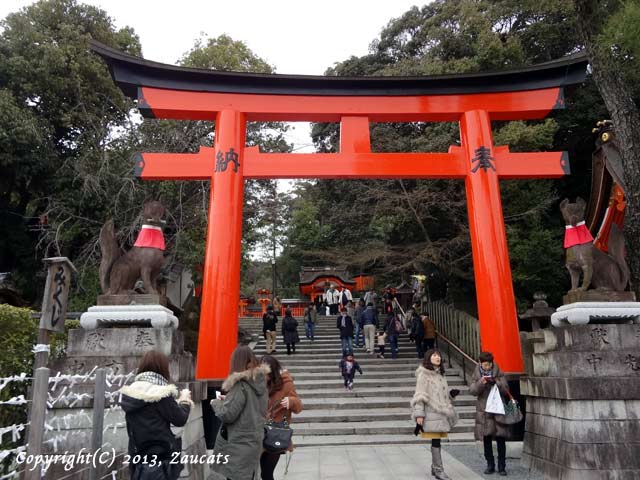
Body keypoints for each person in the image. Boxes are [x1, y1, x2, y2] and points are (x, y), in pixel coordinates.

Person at [120, 350, 193, 480]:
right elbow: (180, 419)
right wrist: (184, 400)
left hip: (137, 457)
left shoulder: (130, 392)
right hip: (161, 458)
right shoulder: (161, 393)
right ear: (163, 368)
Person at [210, 345, 269, 480]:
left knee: (236, 475)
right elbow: (253, 406)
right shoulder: (260, 382)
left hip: (238, 444)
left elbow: (227, 415)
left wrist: (216, 403)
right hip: (253, 440)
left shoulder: (241, 385)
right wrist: (229, 399)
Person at [411, 349, 459, 480]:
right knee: (436, 440)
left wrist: (451, 395)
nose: (437, 357)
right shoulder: (424, 375)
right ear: (429, 358)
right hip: (431, 412)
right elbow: (420, 395)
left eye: (438, 355)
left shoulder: (440, 374)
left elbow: (441, 395)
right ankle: (438, 469)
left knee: (436, 440)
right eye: (434, 355)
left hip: (441, 412)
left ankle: (435, 467)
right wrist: (419, 415)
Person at [260, 355, 303, 480]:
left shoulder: (286, 384)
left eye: (266, 373)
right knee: (260, 472)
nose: (263, 376)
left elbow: (299, 406)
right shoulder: (259, 384)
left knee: (266, 474)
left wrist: (291, 401)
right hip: (259, 432)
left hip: (275, 433)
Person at [469, 351, 510, 476]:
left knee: (501, 439)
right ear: (480, 363)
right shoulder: (476, 373)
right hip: (484, 410)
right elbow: (472, 390)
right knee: (486, 438)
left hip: (498, 409)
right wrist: (481, 382)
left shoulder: (498, 371)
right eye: (485, 365)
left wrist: (496, 382)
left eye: (490, 364)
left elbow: (506, 388)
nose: (488, 367)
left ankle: (502, 466)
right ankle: (490, 465)